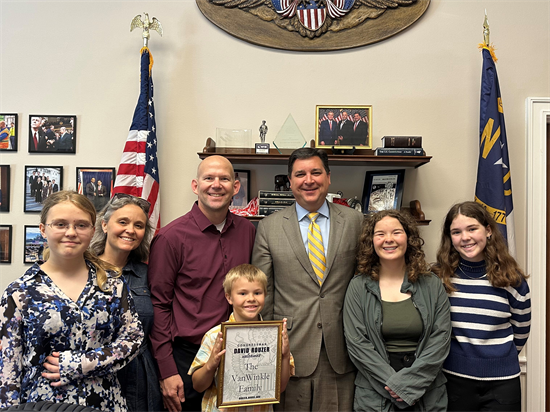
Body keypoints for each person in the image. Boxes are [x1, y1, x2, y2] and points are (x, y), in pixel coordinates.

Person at [0, 190, 143, 411]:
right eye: (60, 224)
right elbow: (8, 371)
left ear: (93, 230)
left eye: (81, 225)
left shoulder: (113, 284)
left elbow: (132, 339)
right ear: (43, 230)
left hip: (104, 403)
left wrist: (81, 364)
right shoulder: (19, 292)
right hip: (41, 404)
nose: (71, 232)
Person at [252, 147, 364, 412]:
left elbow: (364, 282)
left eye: (316, 172)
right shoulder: (269, 226)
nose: (308, 180)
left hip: (343, 349)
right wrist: (270, 352)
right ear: (290, 182)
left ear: (328, 178)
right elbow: (262, 295)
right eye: (300, 174)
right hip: (290, 353)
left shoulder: (355, 221)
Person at [148, 155, 256, 412]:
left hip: (238, 354)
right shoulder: (170, 238)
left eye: (224, 179)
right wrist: (166, 371)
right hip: (187, 358)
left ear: (236, 187)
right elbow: (159, 306)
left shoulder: (249, 232)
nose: (216, 185)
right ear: (196, 186)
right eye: (209, 178)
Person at [343, 210, 451, 412]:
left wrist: (411, 383)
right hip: (376, 393)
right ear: (371, 241)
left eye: (396, 232)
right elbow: (357, 345)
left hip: (427, 392)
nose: (388, 240)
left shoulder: (432, 284)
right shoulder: (358, 287)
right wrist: (396, 385)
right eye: (380, 234)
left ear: (409, 238)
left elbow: (441, 339)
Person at [432, 201, 531, 412]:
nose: (465, 237)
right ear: (450, 238)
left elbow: (521, 330)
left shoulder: (512, 279)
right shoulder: (440, 277)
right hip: (454, 380)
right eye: (456, 232)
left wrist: (496, 357)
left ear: (487, 230)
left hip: (503, 384)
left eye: (472, 229)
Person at [90, 193, 164, 412]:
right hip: (91, 374)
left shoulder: (148, 275)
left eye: (139, 225)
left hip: (138, 377)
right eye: (123, 222)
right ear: (104, 225)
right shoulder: (81, 270)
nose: (130, 230)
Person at [188, 264, 295, 412]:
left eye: (257, 293)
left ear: (265, 295)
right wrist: (211, 365)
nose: (251, 298)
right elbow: (197, 386)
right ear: (229, 297)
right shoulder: (215, 336)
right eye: (243, 293)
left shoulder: (274, 336)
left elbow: (280, 387)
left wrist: (284, 356)